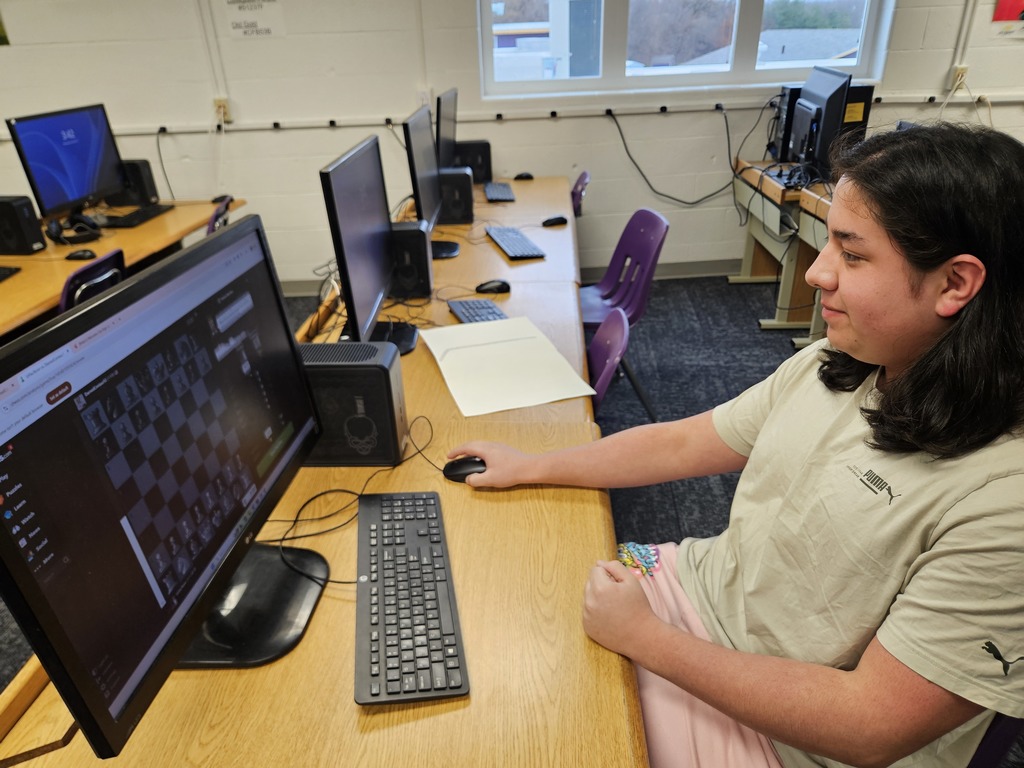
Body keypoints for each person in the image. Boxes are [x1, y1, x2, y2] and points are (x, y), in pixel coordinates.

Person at [447, 122, 1024, 768]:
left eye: (853, 255)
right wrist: (534, 466)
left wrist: (645, 638)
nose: (817, 275)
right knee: (500, 613)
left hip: (787, 738)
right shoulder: (840, 363)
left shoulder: (1004, 503)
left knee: (540, 735)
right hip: (692, 605)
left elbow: (869, 723)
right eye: (827, 244)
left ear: (955, 285)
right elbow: (680, 445)